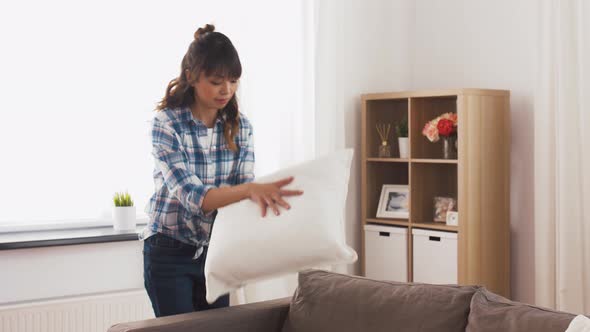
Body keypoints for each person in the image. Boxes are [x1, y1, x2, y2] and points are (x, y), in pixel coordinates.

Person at [140, 24, 303, 318]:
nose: (226, 90)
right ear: (191, 76)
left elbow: (241, 197)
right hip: (168, 253)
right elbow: (192, 196)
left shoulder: (241, 128)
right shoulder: (165, 124)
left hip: (215, 254)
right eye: (216, 81)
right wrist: (250, 190)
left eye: (233, 81)